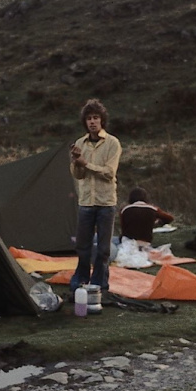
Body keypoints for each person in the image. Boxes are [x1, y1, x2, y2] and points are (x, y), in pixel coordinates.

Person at [69, 99, 122, 296]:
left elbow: (109, 173)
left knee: (103, 249)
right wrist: (76, 162)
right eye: (89, 118)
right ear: (85, 122)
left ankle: (100, 284)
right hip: (86, 201)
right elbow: (78, 175)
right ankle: (81, 280)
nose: (92, 122)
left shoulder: (112, 143)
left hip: (105, 202)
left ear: (102, 120)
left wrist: (86, 163)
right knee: (82, 246)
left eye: (96, 118)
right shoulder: (80, 143)